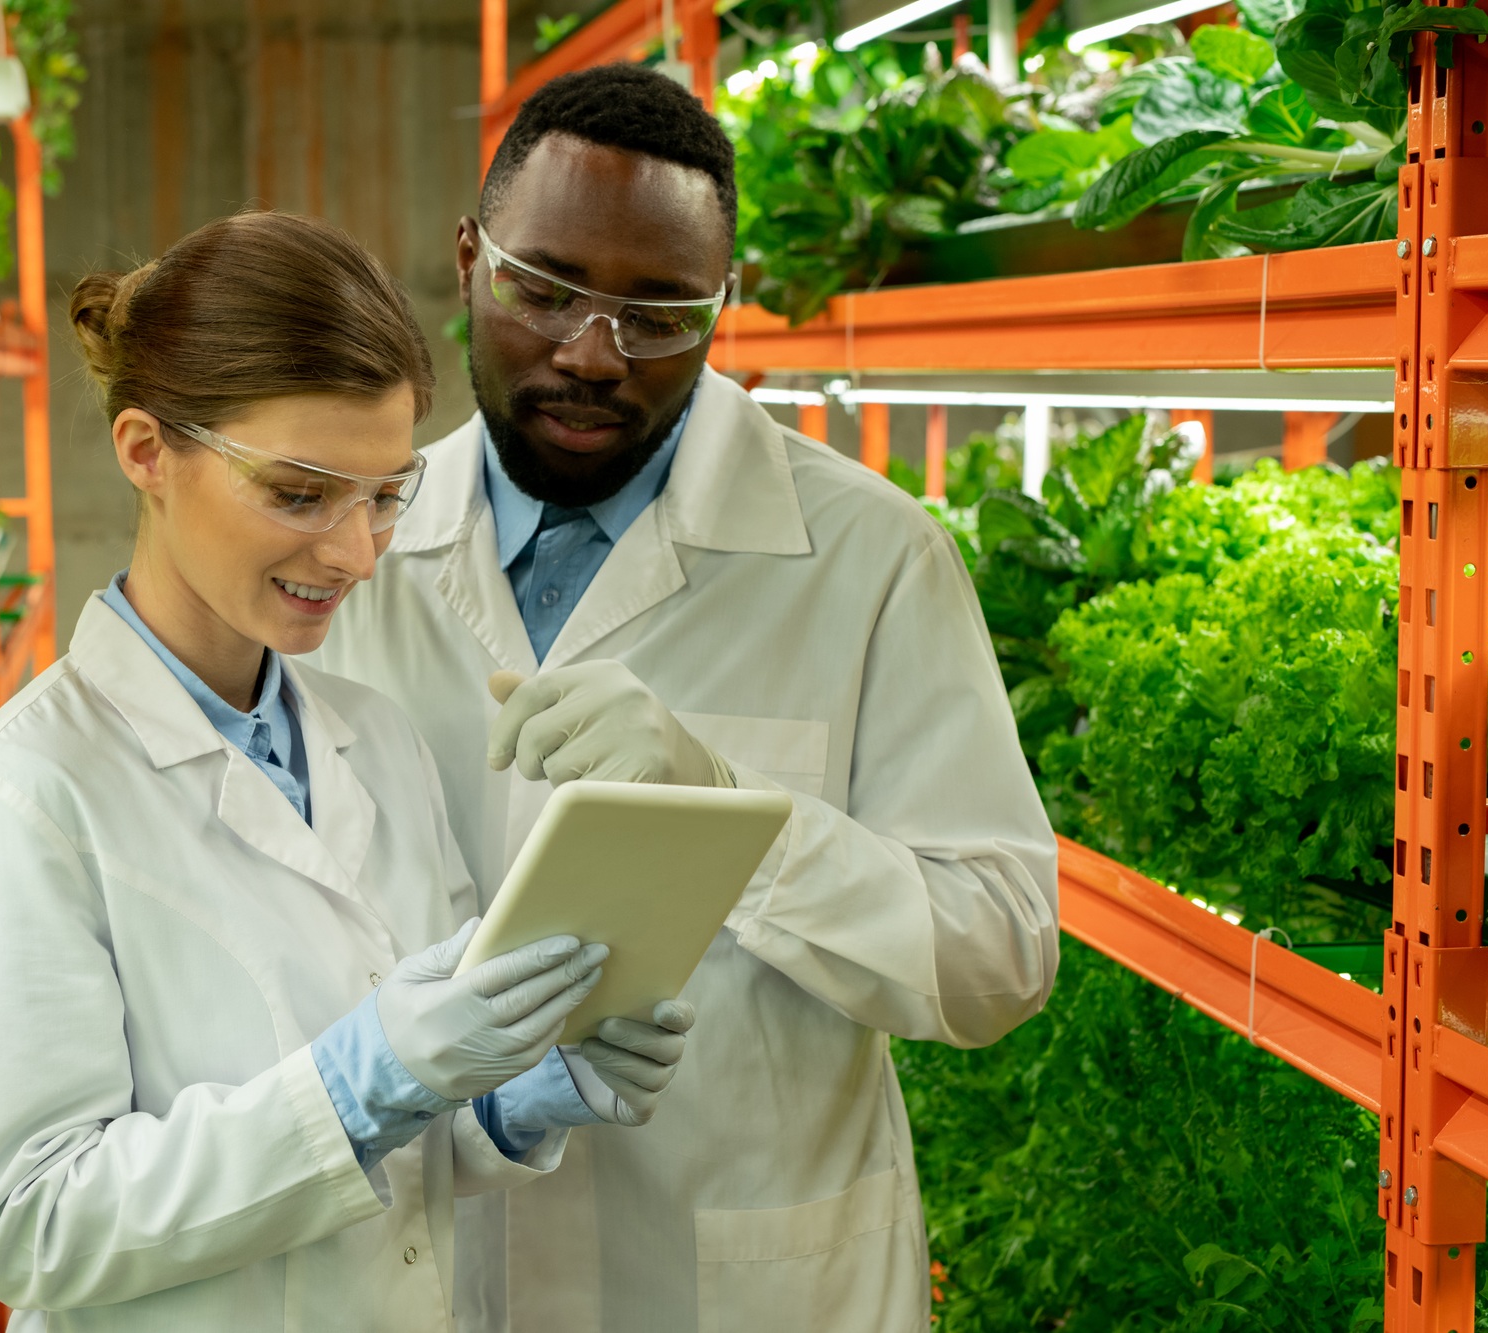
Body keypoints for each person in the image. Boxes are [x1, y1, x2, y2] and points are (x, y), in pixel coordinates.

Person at [313, 65, 1059, 1333]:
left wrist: (728, 811)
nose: (591, 353)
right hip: (426, 1271)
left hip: (747, 1282)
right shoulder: (348, 556)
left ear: (724, 306)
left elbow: (995, 956)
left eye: (658, 313)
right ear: (466, 258)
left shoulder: (867, 558)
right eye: (542, 288)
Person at [0, 211, 700, 1332]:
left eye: (382, 496)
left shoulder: (375, 739)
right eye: (298, 493)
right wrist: (359, 1077)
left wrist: (515, 1096)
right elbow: (35, 1223)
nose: (356, 553)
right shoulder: (20, 804)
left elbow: (395, 1152)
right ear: (144, 453)